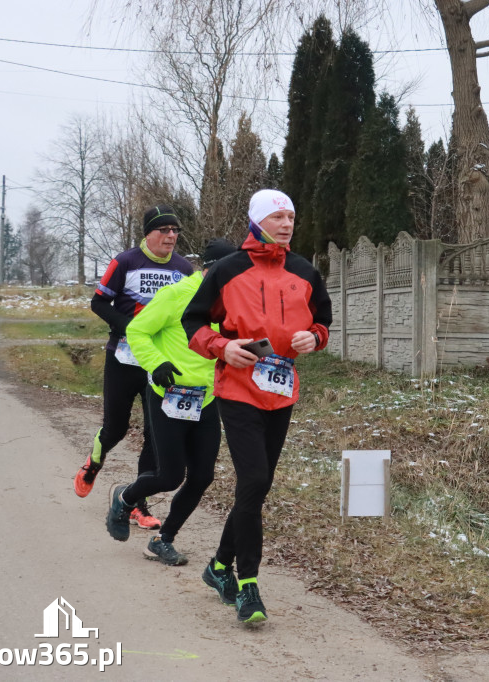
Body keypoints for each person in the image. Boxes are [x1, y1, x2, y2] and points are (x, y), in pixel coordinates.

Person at [182, 189, 331, 625]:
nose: (287, 224)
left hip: (281, 388)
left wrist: (315, 338)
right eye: (278, 216)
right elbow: (193, 321)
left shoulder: (304, 271)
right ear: (257, 221)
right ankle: (247, 584)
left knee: (256, 487)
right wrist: (222, 347)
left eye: (291, 216)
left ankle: (216, 566)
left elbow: (323, 319)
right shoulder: (228, 270)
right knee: (255, 478)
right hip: (238, 388)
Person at [104, 238, 237, 566]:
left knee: (203, 476)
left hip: (206, 398)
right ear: (211, 269)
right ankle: (126, 497)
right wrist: (156, 364)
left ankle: (162, 540)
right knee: (169, 475)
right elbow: (137, 331)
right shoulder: (177, 294)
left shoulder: (231, 303)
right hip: (168, 395)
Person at [74, 205, 194, 532]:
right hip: (123, 358)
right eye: (164, 230)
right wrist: (130, 327)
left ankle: (137, 504)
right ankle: (94, 463)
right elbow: (98, 303)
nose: (171, 236)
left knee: (156, 435)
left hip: (159, 363)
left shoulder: (184, 269)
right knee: (116, 428)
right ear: (148, 233)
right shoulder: (125, 262)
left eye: (175, 230)